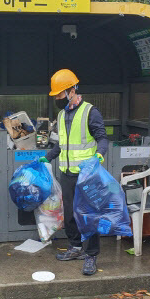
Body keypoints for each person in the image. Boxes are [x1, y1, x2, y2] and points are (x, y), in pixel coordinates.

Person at [39, 69, 109, 275]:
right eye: (56, 96)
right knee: (69, 214)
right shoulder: (61, 115)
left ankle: (91, 256)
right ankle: (76, 247)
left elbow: (102, 137)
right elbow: (62, 145)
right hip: (67, 174)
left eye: (60, 95)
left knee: (88, 216)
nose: (58, 99)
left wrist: (100, 154)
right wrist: (48, 156)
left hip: (86, 174)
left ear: (72, 90)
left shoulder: (90, 112)